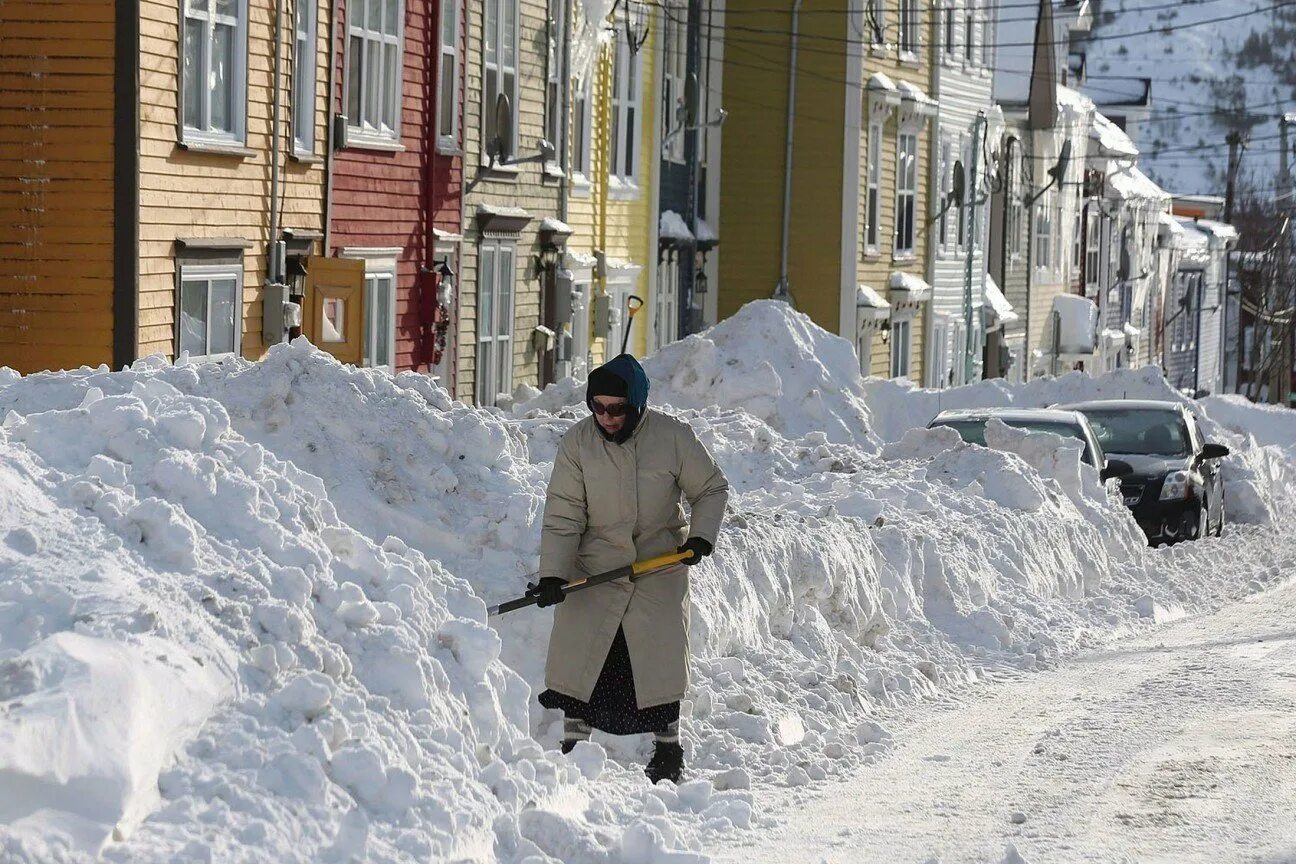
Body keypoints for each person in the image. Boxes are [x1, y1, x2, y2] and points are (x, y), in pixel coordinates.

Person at [527, 353, 729, 784]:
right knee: (583, 657)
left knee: (655, 662)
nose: (607, 417)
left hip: (657, 565)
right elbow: (564, 514)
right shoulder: (578, 444)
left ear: (636, 405)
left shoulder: (673, 438)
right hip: (595, 568)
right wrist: (553, 575)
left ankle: (668, 749)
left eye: (617, 409)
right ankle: (574, 744)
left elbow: (710, 488)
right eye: (597, 407)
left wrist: (700, 537)